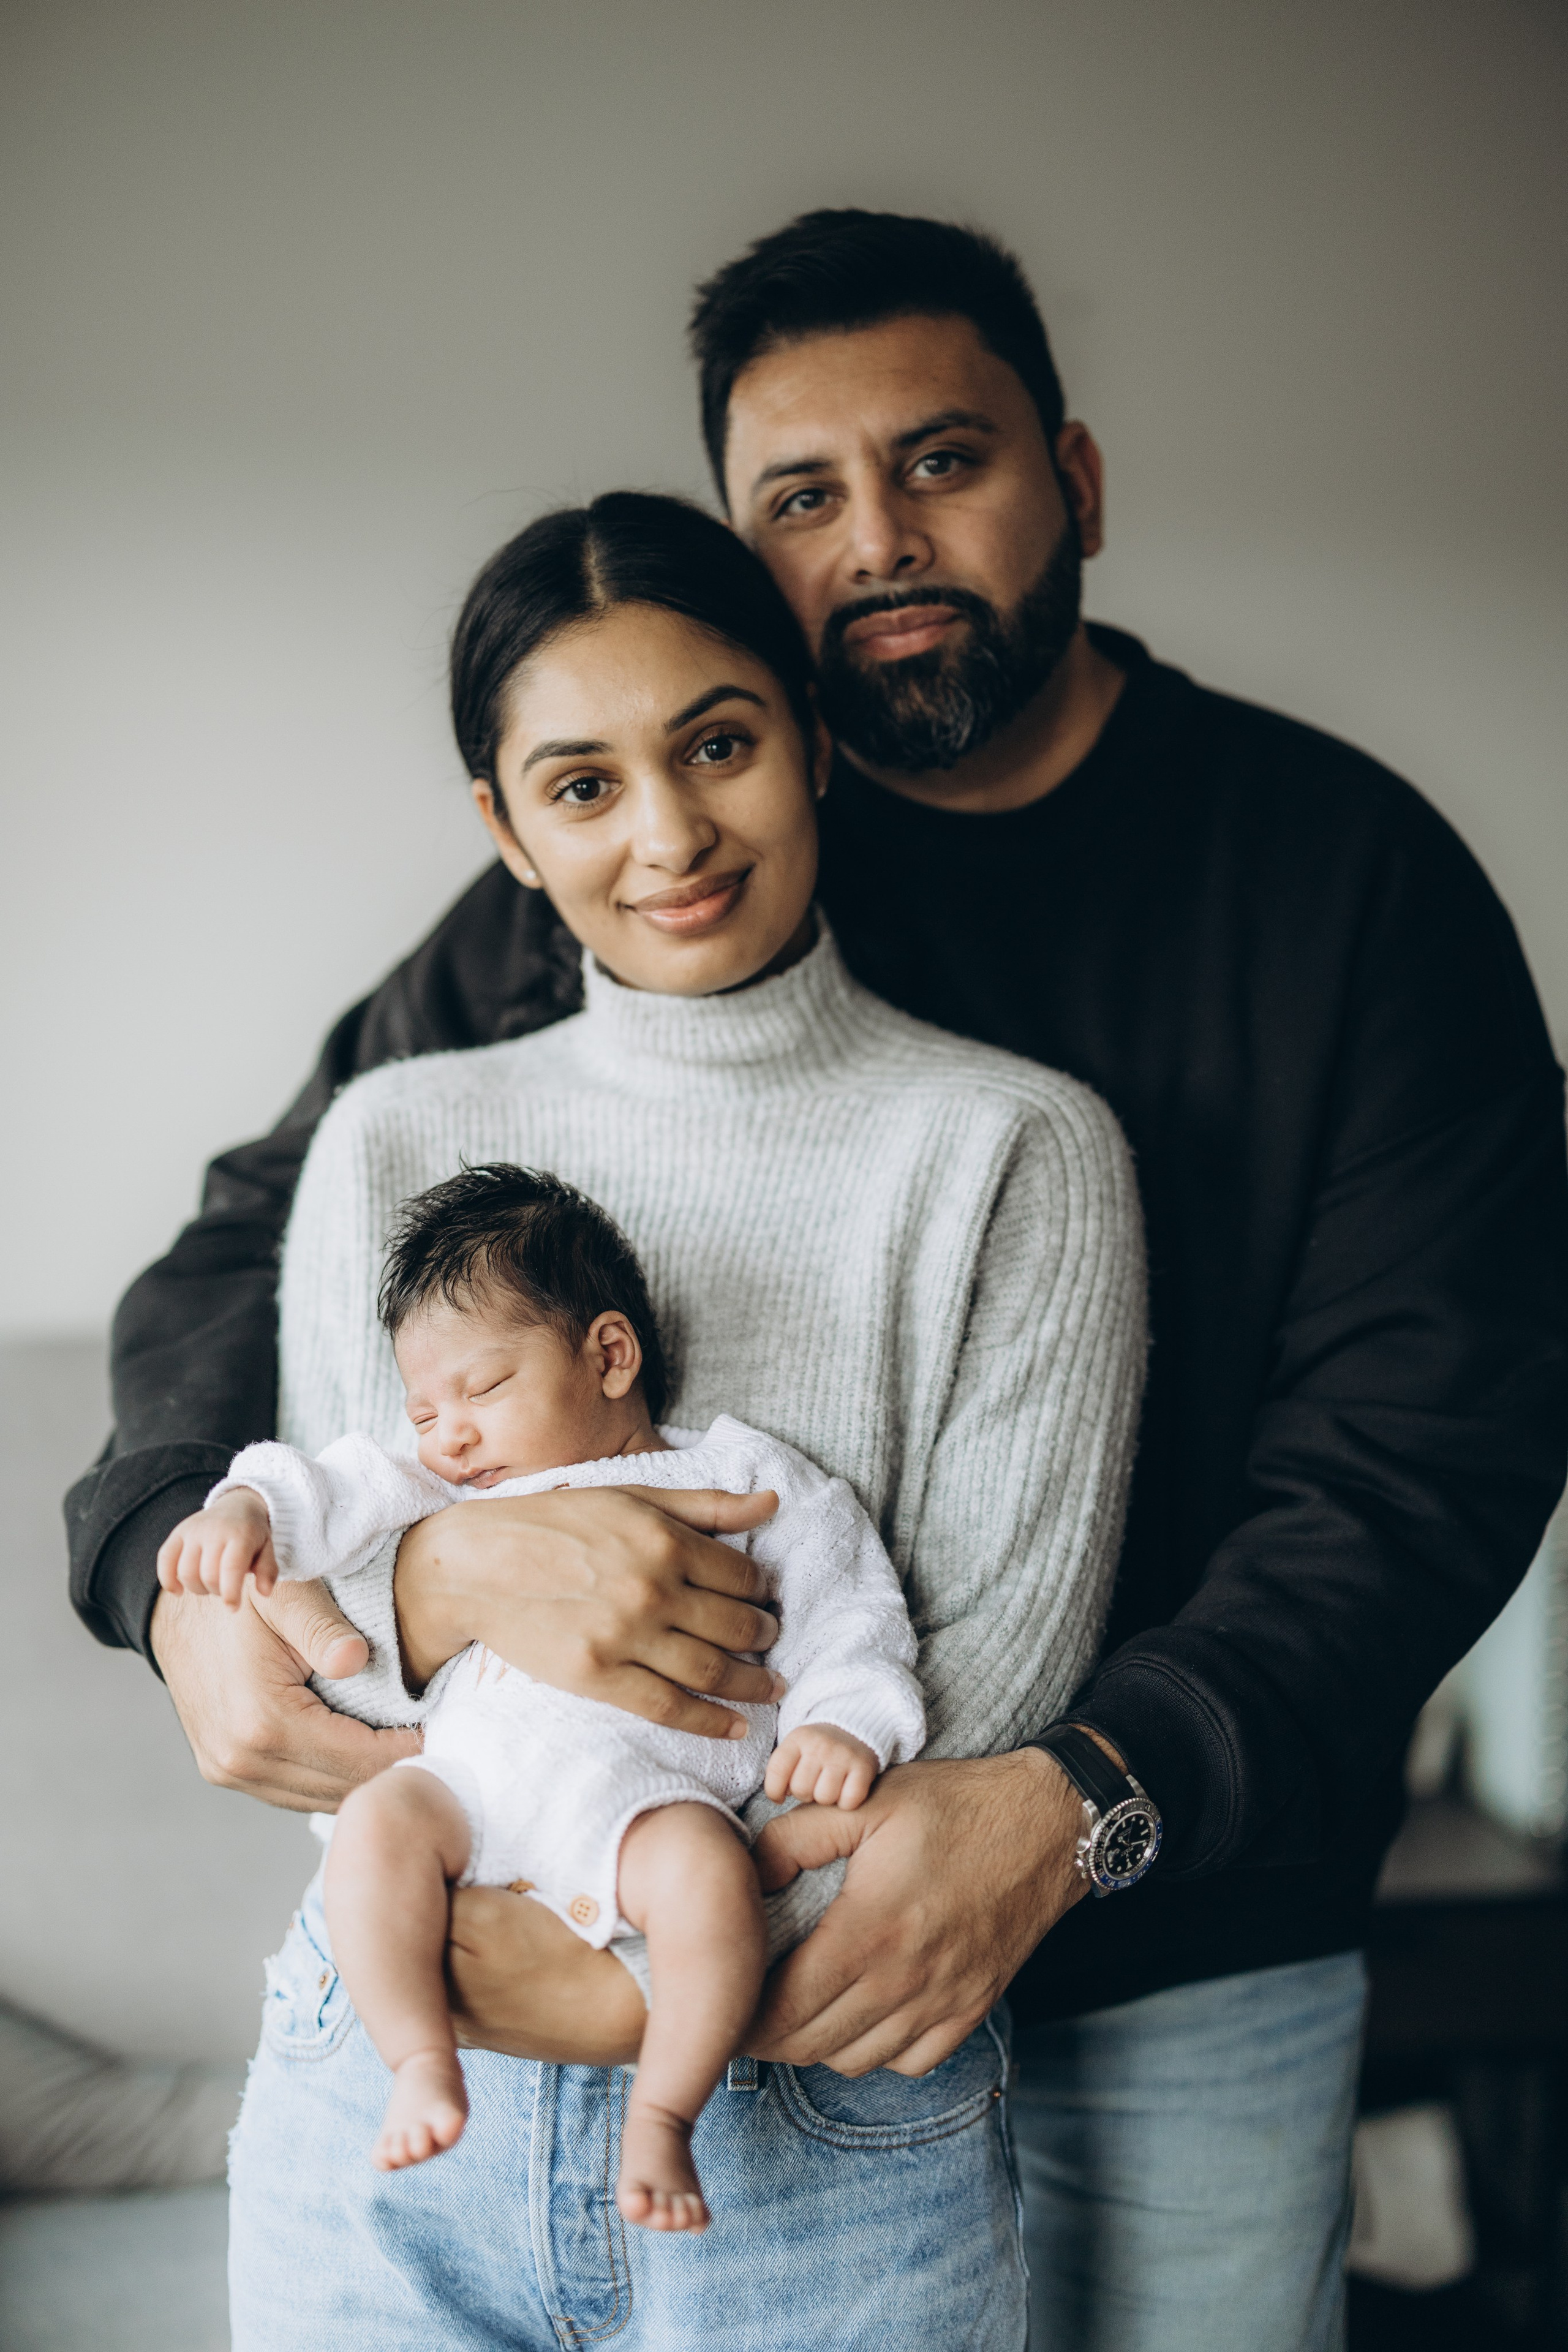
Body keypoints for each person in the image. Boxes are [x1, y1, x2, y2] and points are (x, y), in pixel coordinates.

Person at [67, 211, 1567, 2348]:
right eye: (802, 497)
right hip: (663, 1927)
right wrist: (188, 1573)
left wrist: (1091, 1799)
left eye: (943, 461)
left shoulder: (1349, 883)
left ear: (1079, 480)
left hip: (1178, 1932)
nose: (881, 540)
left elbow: (1427, 1453)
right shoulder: (676, 858)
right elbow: (278, 1234)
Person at [199, 487, 1140, 2346]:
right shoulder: (392, 1140)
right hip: (393, 2073)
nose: (671, 835)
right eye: (582, 784)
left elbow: (978, 1706)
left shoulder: (1010, 1150)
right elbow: (345, 1640)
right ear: (504, 830)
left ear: (809, 738)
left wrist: (636, 1983)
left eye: (719, 745)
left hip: (819, 2100)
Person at [159, 1159, 926, 2225]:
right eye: (423, 1409)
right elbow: (331, 1484)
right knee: (379, 1827)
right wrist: (246, 1509)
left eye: (481, 1390)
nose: (448, 1435)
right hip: (475, 1789)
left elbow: (855, 1609)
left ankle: (663, 2117)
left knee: (714, 1888)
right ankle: (420, 2058)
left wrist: (847, 1721)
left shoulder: (748, 1480)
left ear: (610, 1355)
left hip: (654, 1803)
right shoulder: (442, 1486)